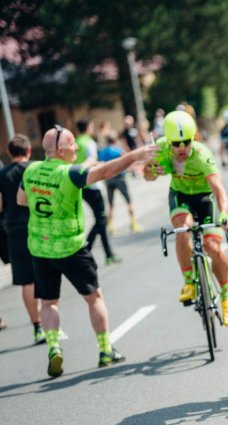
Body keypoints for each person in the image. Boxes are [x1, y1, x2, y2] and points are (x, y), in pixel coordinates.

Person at [17, 125, 159, 378]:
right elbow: (104, 171)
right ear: (61, 150)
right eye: (72, 145)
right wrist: (136, 155)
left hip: (40, 247)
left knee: (48, 302)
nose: (76, 149)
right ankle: (105, 350)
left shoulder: (31, 170)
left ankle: (53, 347)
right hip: (71, 246)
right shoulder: (70, 173)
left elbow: (22, 200)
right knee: (94, 297)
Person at [144, 110, 228, 326]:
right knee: (182, 228)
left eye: (186, 141)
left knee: (213, 248)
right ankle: (189, 282)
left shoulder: (202, 154)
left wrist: (224, 214)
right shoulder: (160, 148)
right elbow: (147, 175)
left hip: (205, 198)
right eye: (176, 143)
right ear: (168, 141)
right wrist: (152, 170)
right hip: (181, 196)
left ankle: (226, 297)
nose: (182, 148)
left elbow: (219, 190)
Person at [0, 134, 43, 343]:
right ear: (27, 151)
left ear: (9, 153)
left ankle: (37, 327)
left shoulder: (2, 174)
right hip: (38, 227)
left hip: (14, 230)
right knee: (45, 274)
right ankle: (52, 323)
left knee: (27, 280)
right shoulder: (35, 168)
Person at [75, 119, 121, 264]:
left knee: (101, 220)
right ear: (88, 127)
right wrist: (102, 165)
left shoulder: (76, 142)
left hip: (82, 186)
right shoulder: (89, 142)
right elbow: (92, 161)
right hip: (93, 185)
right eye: (91, 126)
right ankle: (87, 247)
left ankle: (108, 254)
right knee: (101, 220)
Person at [99, 134, 143, 234]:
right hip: (119, 178)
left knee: (110, 204)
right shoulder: (117, 150)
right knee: (128, 201)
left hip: (108, 179)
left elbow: (101, 162)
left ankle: (111, 227)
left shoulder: (103, 152)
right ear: (115, 140)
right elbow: (127, 158)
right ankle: (134, 223)